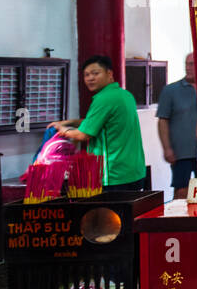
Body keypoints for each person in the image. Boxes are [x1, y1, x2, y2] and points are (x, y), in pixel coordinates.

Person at [49, 55, 146, 190]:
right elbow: (98, 123)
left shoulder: (103, 99)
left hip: (114, 175)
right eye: (86, 75)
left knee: (109, 212)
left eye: (95, 73)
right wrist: (69, 122)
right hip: (135, 172)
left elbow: (83, 135)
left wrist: (62, 129)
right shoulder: (125, 95)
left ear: (109, 73)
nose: (90, 78)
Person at [156, 53, 197, 199]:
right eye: (187, 64)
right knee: (181, 191)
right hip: (181, 152)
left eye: (192, 64)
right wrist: (167, 148)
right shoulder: (171, 90)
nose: (189, 67)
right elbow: (163, 120)